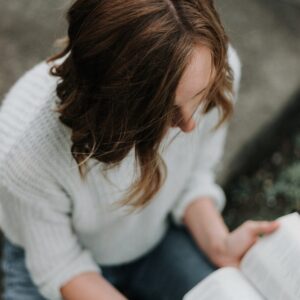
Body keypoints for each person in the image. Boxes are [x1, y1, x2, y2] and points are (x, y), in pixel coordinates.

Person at [0, 1, 279, 300]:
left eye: (199, 97)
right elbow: (59, 267)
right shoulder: (23, 155)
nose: (189, 125)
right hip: (54, 263)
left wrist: (218, 244)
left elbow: (192, 177)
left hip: (150, 241)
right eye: (165, 112)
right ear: (115, 102)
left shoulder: (215, 72)